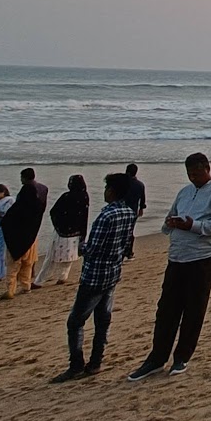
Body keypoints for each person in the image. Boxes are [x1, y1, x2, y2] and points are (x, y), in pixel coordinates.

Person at [128, 153, 211, 380]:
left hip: (203, 256)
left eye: (196, 173)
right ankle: (157, 357)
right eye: (189, 174)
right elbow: (170, 216)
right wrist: (170, 224)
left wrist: (193, 225)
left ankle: (182, 357)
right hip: (177, 256)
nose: (193, 178)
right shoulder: (184, 192)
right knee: (167, 308)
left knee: (194, 308)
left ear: (207, 169)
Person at [50, 172, 138, 382]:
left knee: (75, 322)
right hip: (112, 273)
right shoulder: (128, 212)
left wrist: (81, 247)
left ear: (113, 191)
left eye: (107, 188)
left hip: (94, 276)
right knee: (102, 320)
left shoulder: (106, 215)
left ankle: (77, 365)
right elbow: (126, 244)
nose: (104, 192)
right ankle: (96, 361)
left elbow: (94, 248)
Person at [0, 168, 47, 300]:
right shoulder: (42, 190)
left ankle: (10, 289)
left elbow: (16, 212)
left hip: (18, 235)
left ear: (24, 178)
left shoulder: (27, 191)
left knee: (13, 264)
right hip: (32, 233)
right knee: (28, 262)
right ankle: (26, 286)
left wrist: (5, 222)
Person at [35, 174, 90, 288]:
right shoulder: (84, 196)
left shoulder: (66, 196)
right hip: (76, 232)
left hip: (61, 232)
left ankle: (39, 281)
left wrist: (58, 224)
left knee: (50, 256)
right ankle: (63, 277)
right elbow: (84, 216)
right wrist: (82, 233)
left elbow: (53, 211)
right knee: (68, 257)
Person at [122, 163, 147, 259]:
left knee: (121, 231)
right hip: (133, 210)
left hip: (123, 209)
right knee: (130, 231)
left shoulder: (123, 184)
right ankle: (129, 252)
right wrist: (141, 208)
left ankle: (122, 251)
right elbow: (143, 198)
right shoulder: (140, 184)